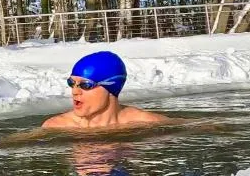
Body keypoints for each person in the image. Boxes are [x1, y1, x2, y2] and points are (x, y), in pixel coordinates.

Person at [42, 51, 170, 130]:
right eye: (71, 83)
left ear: (111, 87)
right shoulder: (57, 126)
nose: (75, 91)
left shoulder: (145, 122)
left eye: (86, 85)